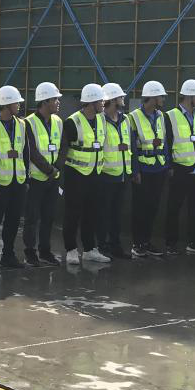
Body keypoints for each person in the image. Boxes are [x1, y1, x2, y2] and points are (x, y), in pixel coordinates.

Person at [60, 84, 112, 265]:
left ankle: (89, 249)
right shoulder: (72, 122)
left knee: (92, 212)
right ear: (91, 102)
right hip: (75, 174)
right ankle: (71, 250)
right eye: (101, 100)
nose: (103, 103)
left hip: (95, 173)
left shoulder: (101, 120)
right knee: (72, 213)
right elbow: (63, 149)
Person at [164, 78, 195, 256]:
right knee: (174, 207)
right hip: (180, 169)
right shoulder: (170, 116)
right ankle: (171, 243)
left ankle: (194, 242)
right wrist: (170, 166)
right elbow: (167, 142)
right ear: (189, 97)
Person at [0, 85, 27, 270]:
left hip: (18, 181)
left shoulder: (22, 124)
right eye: (16, 103)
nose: (19, 105)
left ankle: (8, 255)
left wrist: (26, 179)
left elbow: (25, 152)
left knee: (13, 220)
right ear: (7, 104)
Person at [22, 81, 63, 267]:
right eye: (55, 99)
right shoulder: (29, 123)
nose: (58, 102)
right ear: (45, 101)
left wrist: (57, 168)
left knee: (49, 217)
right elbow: (31, 151)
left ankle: (45, 251)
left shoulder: (58, 122)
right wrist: (50, 169)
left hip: (53, 178)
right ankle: (30, 253)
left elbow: (63, 147)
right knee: (32, 218)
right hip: (36, 178)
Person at [129, 80, 170, 257]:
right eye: (161, 96)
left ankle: (146, 241)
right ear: (152, 97)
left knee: (153, 207)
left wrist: (167, 165)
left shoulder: (161, 116)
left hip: (159, 168)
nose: (163, 99)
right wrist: (135, 170)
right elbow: (132, 146)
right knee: (140, 207)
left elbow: (165, 142)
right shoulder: (133, 117)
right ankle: (137, 243)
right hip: (143, 170)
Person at [97, 82, 133, 260]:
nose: (123, 99)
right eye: (120, 97)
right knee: (103, 213)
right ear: (112, 100)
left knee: (116, 214)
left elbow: (131, 145)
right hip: (106, 174)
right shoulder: (100, 121)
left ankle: (115, 246)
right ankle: (102, 246)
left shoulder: (125, 120)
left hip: (123, 173)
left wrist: (133, 171)